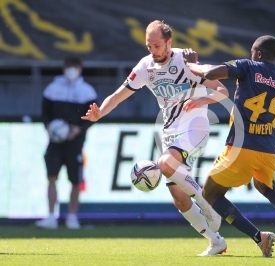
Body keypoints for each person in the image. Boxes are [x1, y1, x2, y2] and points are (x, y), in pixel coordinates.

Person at [81, 20, 228, 256]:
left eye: (157, 45)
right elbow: (118, 96)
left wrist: (202, 100)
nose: (153, 50)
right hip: (171, 133)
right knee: (179, 198)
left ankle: (206, 203)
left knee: (164, 164)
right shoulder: (145, 67)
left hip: (195, 126)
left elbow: (222, 91)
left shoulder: (186, 61)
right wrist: (101, 114)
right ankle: (216, 241)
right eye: (149, 46)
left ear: (169, 42)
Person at [185, 35, 275, 258]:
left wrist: (191, 64)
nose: (251, 54)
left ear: (259, 54)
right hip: (267, 150)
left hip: (241, 147)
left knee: (209, 193)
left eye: (253, 51)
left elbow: (211, 73)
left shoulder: (247, 66)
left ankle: (258, 237)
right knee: (265, 187)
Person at [35, 56, 98, 229]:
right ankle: (50, 216)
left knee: (76, 180)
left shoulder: (87, 91)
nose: (71, 70)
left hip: (75, 143)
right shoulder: (53, 88)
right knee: (51, 177)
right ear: (64, 68)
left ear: (80, 68)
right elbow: (45, 113)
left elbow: (93, 117)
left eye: (75, 66)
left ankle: (71, 217)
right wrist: (49, 127)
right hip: (55, 142)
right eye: (69, 66)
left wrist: (78, 129)